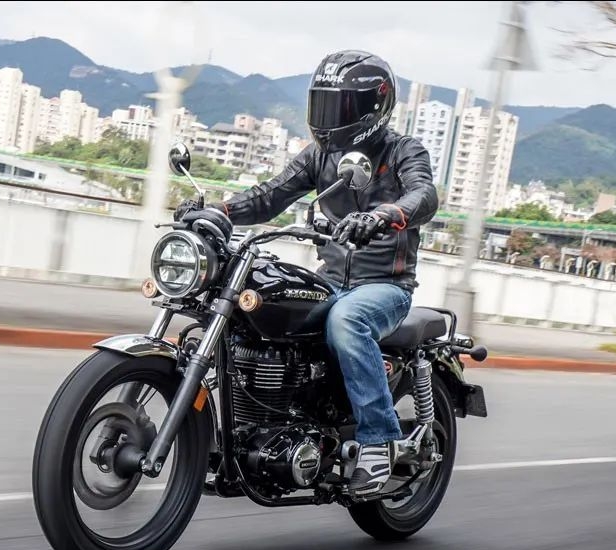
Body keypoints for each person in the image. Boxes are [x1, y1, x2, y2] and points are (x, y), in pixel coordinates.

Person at [175, 50, 438, 497]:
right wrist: (217, 211)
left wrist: (384, 216)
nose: (330, 117)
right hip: (331, 280)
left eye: (342, 106)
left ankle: (379, 441)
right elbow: (269, 197)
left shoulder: (403, 151)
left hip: (385, 286)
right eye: (324, 104)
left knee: (347, 320)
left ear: (374, 106)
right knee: (259, 309)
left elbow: (424, 195)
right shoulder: (320, 156)